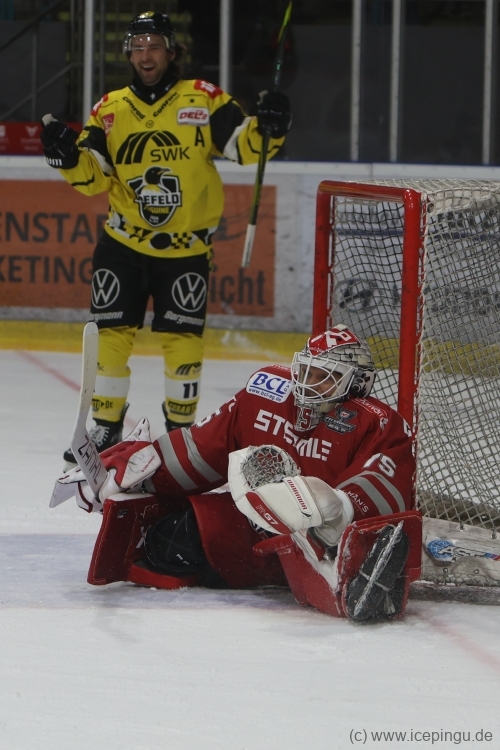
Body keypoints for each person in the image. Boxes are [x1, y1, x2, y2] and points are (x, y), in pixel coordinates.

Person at [40, 11, 291, 468]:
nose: (145, 55)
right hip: (122, 245)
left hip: (186, 249)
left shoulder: (203, 99)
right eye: (137, 47)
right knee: (110, 336)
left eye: (154, 45)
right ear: (128, 54)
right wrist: (65, 157)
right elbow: (94, 177)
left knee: (183, 341)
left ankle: (181, 432)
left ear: (172, 51)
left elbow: (245, 146)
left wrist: (270, 126)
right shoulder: (109, 109)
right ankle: (105, 426)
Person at [60, 325, 420, 622]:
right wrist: (139, 473)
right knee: (170, 540)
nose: (309, 383)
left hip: (317, 542)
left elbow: (385, 484)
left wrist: (338, 508)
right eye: (307, 371)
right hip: (252, 523)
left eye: (326, 378)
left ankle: (358, 582)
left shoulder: (378, 422)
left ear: (357, 383)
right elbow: (204, 448)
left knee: (324, 561)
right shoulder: (267, 392)